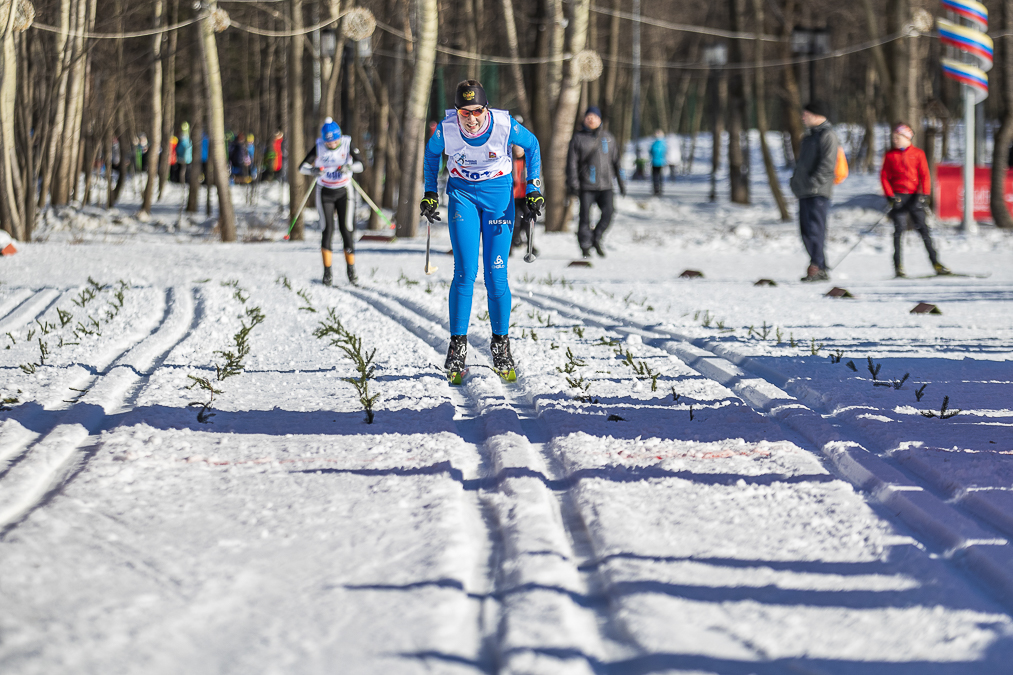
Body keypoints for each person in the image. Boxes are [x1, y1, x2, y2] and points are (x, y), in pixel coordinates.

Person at [420, 79, 542, 382]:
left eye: (476, 111)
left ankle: (501, 344)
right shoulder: (447, 129)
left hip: (498, 197)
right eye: (464, 112)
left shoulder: (504, 125)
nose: (471, 119)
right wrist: (430, 192)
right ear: (457, 112)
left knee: (495, 274)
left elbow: (533, 146)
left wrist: (533, 187)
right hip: (462, 196)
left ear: (485, 109)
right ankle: (457, 346)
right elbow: (431, 155)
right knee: (464, 272)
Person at [299, 117, 364, 286]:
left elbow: (361, 165)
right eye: (329, 143)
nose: (332, 145)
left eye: (335, 141)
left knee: (346, 230)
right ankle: (327, 273)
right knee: (327, 230)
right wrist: (313, 170)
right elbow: (302, 167)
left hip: (344, 191)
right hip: (325, 192)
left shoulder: (347, 143)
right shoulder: (319, 146)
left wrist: (348, 167)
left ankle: (351, 271)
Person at [881, 123, 950, 277]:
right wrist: (889, 195)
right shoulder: (890, 155)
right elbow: (884, 176)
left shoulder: (917, 153)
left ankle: (936, 263)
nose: (895, 140)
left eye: (897, 137)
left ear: (907, 138)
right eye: (893, 138)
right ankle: (898, 266)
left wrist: (924, 194)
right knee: (899, 231)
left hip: (914, 197)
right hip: (898, 196)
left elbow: (925, 174)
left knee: (923, 229)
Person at [566, 106, 625, 258]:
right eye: (588, 116)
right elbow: (571, 163)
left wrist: (621, 182)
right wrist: (573, 183)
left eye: (594, 116)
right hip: (586, 185)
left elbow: (616, 162)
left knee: (609, 213)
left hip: (606, 185)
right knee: (585, 217)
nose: (591, 119)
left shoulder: (609, 138)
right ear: (584, 119)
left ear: (600, 120)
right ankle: (585, 246)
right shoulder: (578, 138)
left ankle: (596, 237)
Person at [790, 101, 839, 282]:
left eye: (806, 114)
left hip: (818, 191)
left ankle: (818, 266)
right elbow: (801, 164)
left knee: (815, 229)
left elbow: (828, 164)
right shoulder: (808, 137)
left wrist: (813, 182)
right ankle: (818, 264)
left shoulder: (828, 135)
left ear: (817, 115)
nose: (803, 118)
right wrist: (795, 182)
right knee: (805, 231)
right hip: (804, 191)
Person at [509, 143, 534, 255]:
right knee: (513, 221)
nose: (518, 150)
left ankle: (530, 245)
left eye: (521, 147)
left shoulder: (529, 161)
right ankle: (510, 245)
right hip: (512, 195)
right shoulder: (509, 160)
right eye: (516, 147)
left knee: (529, 219)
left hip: (525, 195)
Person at [650, 130, 667, 196]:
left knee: (655, 176)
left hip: (655, 162)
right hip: (661, 162)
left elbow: (652, 151)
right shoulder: (663, 143)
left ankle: (656, 188)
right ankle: (660, 188)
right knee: (660, 176)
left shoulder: (655, 144)